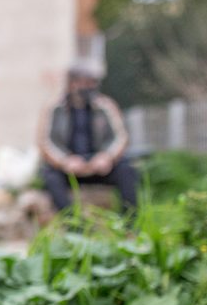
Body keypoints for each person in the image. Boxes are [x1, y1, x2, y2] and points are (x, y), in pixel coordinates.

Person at [37, 62, 139, 213]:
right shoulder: (54, 108)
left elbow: (121, 137)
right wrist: (64, 161)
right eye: (83, 82)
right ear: (71, 84)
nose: (87, 87)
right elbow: (45, 142)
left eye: (91, 83)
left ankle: (129, 220)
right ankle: (71, 221)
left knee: (126, 171)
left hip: (100, 165)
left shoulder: (105, 106)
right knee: (51, 177)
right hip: (68, 167)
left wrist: (107, 157)